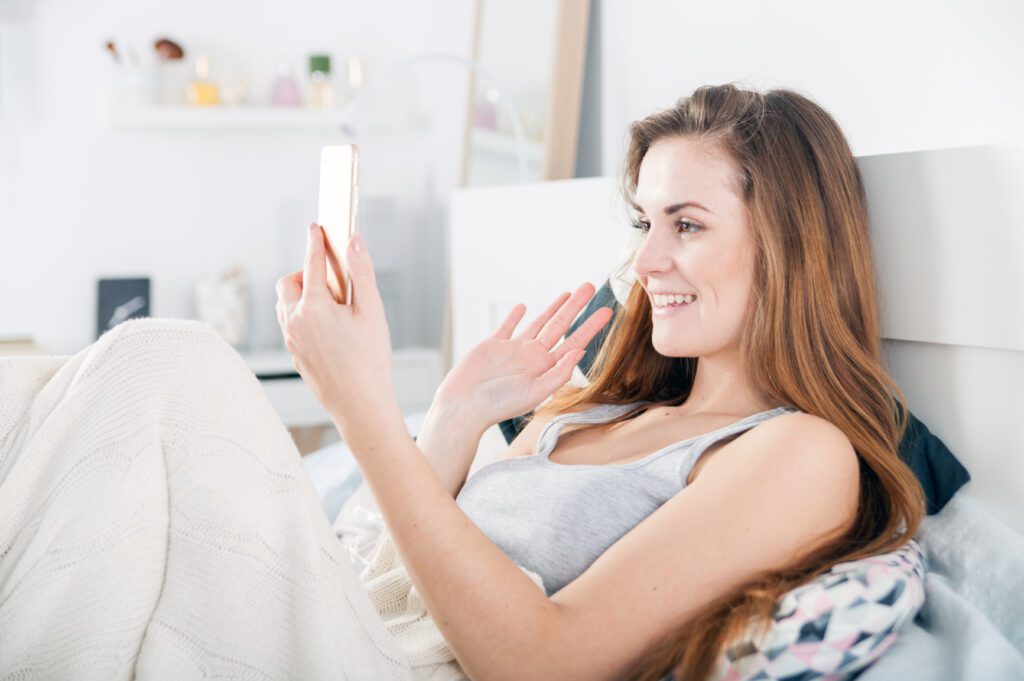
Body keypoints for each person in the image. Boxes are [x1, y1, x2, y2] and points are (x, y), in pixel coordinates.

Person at [0, 82, 925, 681]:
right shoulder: (594, 411)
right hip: (356, 619)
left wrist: (361, 408)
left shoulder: (799, 451)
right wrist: (447, 420)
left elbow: (544, 659)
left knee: (169, 365)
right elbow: (375, 563)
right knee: (39, 389)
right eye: (642, 221)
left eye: (685, 224)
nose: (643, 259)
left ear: (793, 245)